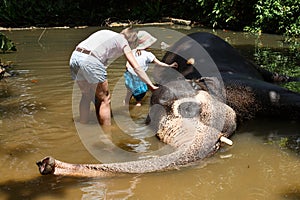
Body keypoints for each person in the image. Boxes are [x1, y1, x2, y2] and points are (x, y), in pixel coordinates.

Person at [70, 28, 158, 125]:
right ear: (132, 41)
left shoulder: (106, 32)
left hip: (75, 57)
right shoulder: (123, 42)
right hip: (90, 60)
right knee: (105, 100)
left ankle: (83, 124)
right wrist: (150, 85)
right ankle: (107, 134)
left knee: (86, 95)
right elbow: (136, 67)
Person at [124, 31, 177, 106]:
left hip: (129, 75)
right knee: (139, 100)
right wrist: (170, 66)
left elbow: (127, 65)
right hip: (139, 77)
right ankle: (136, 112)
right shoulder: (148, 55)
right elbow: (159, 63)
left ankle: (125, 105)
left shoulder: (132, 52)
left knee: (129, 93)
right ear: (148, 45)